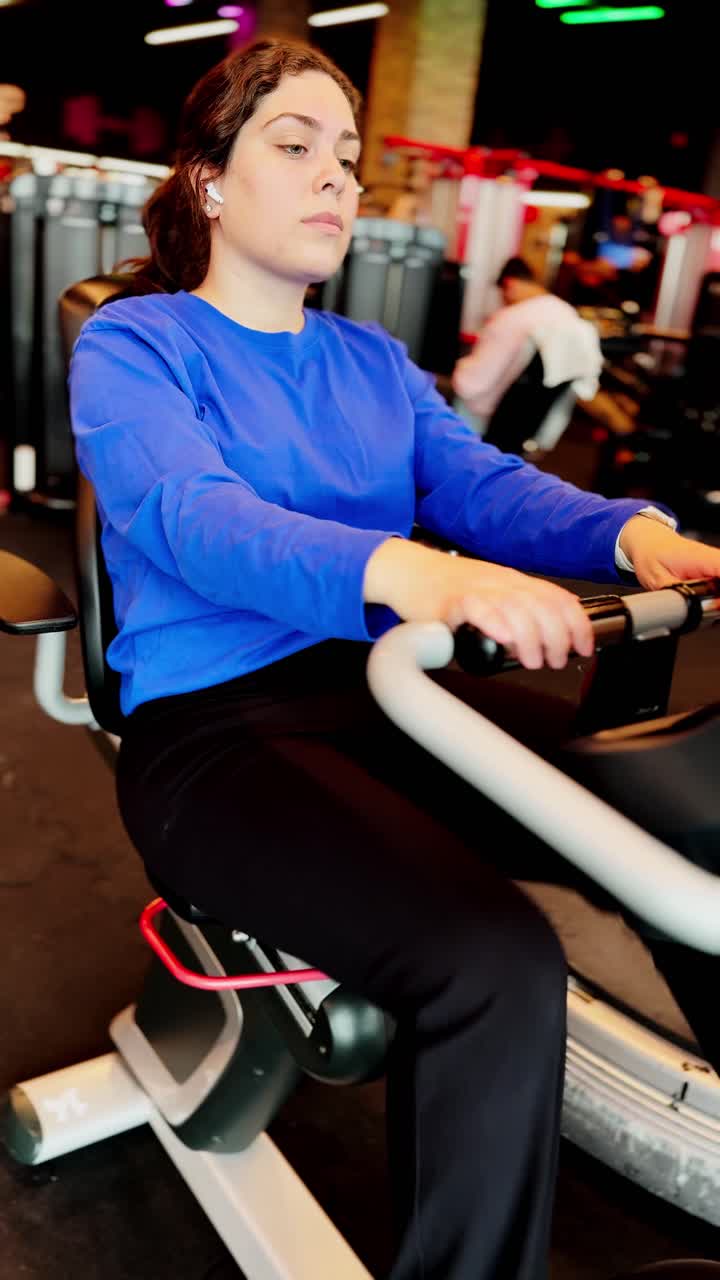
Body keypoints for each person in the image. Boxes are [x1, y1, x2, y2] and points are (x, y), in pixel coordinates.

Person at [68, 40, 720, 1280]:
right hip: (213, 734)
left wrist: (636, 534)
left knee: (683, 820)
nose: (336, 179)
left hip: (387, 693)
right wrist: (419, 573)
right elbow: (191, 515)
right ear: (209, 178)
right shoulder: (139, 343)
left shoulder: (370, 360)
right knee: (491, 957)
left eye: (351, 159)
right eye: (295, 146)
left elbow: (478, 484)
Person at [452, 256, 603, 446]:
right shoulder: (566, 312)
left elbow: (472, 384)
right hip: (532, 424)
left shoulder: (511, 318)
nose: (504, 302)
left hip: (490, 421)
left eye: (503, 295)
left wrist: (457, 369)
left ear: (510, 284)